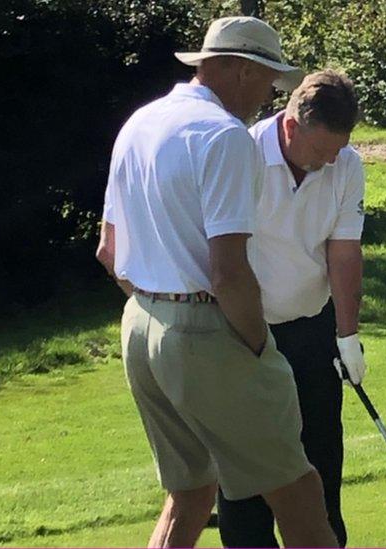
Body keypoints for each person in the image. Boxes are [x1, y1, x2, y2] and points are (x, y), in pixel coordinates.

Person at [95, 16, 337, 548]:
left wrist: (159, 307)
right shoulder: (226, 137)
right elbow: (228, 271)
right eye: (269, 81)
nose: (269, 95)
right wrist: (256, 343)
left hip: (140, 324)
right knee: (299, 491)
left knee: (191, 493)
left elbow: (109, 252)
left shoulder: (139, 122)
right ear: (243, 72)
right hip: (205, 330)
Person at [216, 70, 366, 548]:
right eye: (323, 149)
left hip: (312, 331)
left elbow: (343, 252)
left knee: (322, 462)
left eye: (339, 148)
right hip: (244, 335)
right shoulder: (242, 156)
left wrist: (347, 335)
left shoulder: (346, 164)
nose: (332, 159)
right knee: (246, 477)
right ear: (289, 126)